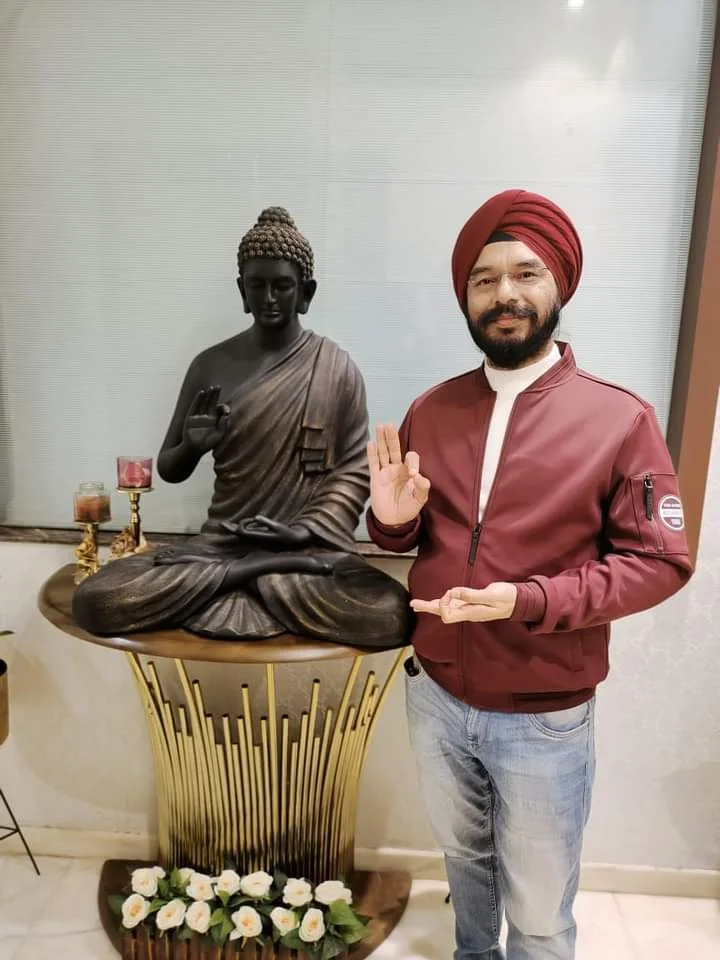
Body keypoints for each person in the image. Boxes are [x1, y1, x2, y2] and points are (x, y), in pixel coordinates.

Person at [366, 189, 693, 960]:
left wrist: (528, 600)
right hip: (436, 694)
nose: (505, 294)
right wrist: (389, 519)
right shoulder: (433, 409)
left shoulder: (621, 419)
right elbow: (410, 533)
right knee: (466, 868)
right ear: (467, 298)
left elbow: (660, 561)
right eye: (483, 280)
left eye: (525, 273)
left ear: (558, 287)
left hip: (545, 713)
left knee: (541, 911)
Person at [73, 207, 409, 647]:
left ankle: (240, 578)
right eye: (258, 285)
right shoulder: (210, 364)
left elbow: (352, 470)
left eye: (282, 286)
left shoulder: (336, 368)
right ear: (242, 291)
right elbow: (171, 467)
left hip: (304, 552)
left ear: (305, 293)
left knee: (390, 615)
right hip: (222, 544)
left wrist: (305, 530)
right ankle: (250, 573)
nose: (269, 297)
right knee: (98, 600)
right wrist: (192, 446)